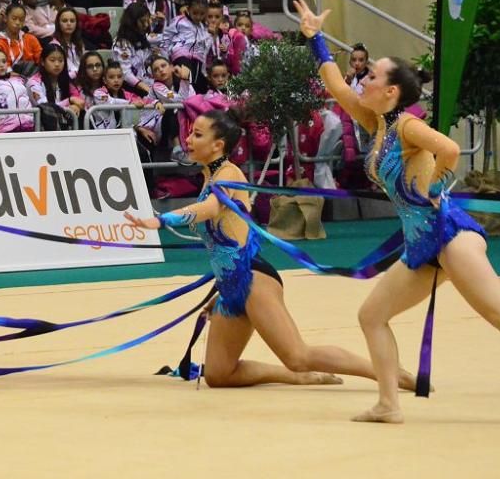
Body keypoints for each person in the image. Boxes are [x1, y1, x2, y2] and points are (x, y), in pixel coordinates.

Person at [293, 0, 500, 426]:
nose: (363, 78)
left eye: (373, 74)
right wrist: (315, 39)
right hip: (421, 247)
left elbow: (451, 149)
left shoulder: (406, 126)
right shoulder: (376, 123)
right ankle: (388, 404)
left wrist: (431, 188)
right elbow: (337, 87)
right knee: (371, 316)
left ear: (391, 90)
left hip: (450, 235)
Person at [125, 108, 425, 392]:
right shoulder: (210, 175)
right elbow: (231, 235)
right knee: (219, 374)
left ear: (218, 145)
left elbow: (211, 208)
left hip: (254, 279)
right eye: (190, 133)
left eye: (197, 134)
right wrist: (221, 289)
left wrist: (163, 219)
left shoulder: (228, 174)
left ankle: (387, 372)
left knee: (298, 355)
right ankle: (295, 377)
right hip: (232, 285)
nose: (188, 140)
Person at [112, 2, 154, 96]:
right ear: (132, 22)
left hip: (146, 80)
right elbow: (126, 73)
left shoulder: (143, 38)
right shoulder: (122, 43)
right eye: (143, 21)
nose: (146, 25)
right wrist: (147, 88)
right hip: (131, 87)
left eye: (148, 20)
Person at [0, 3, 42, 70]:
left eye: (21, 20)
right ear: (5, 18)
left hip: (32, 76)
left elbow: (41, 60)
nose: (18, 23)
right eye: (14, 18)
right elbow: (0, 68)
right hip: (8, 77)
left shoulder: (31, 39)